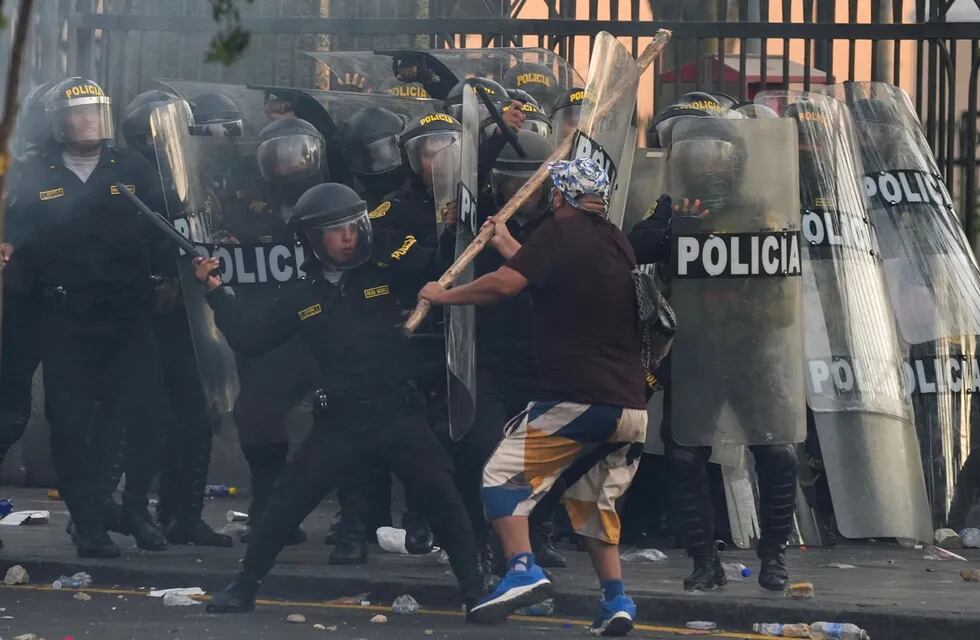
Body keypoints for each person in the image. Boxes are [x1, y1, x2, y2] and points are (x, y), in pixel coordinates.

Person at [196, 182, 484, 615]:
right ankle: (243, 587)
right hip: (341, 422)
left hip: (396, 412)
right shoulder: (301, 295)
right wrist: (216, 292)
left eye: (353, 226)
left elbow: (445, 264)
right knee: (286, 504)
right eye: (335, 230)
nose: (349, 236)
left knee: (441, 497)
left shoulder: (385, 272)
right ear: (312, 240)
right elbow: (249, 338)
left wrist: (454, 230)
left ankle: (475, 593)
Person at [420, 158, 648, 635]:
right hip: (629, 407)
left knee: (501, 477)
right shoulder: (614, 239)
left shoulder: (560, 228)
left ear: (560, 196)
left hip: (579, 396)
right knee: (593, 505)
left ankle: (523, 569)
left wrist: (443, 296)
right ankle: (616, 600)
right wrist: (508, 245)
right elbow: (547, 273)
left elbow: (506, 286)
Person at [628, 115, 799, 592]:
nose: (705, 167)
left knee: (778, 452)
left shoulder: (757, 211)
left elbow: (781, 292)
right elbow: (635, 245)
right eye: (695, 156)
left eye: (715, 156)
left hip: (748, 349)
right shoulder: (668, 207)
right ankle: (704, 562)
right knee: (685, 458)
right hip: (693, 352)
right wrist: (674, 229)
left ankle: (774, 557)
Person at [4, 77, 170, 557]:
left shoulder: (133, 169)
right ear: (59, 121)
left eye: (94, 111)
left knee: (144, 413)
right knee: (71, 422)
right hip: (64, 319)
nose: (86, 120)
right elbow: (14, 235)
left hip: (128, 317)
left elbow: (166, 229)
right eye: (76, 113)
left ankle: (135, 508)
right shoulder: (35, 175)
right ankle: (88, 523)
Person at [118, 90, 232, 547]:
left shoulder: (195, 177)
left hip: (192, 313)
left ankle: (183, 514)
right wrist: (151, 280)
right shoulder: (129, 180)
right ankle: (123, 510)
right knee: (147, 417)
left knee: (196, 414)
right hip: (146, 319)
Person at [223, 117, 326, 546]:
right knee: (257, 417)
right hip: (266, 323)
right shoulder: (244, 198)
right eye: (277, 155)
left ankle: (354, 522)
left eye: (296, 153)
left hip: (319, 324)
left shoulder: (331, 194)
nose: (288, 164)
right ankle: (269, 507)